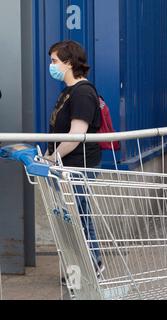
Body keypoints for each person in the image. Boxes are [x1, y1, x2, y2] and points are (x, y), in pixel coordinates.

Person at [45, 40, 104, 277]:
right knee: (72, 219)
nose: (51, 66)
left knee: (79, 218)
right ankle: (79, 267)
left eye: (54, 61)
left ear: (69, 63)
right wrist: (50, 155)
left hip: (78, 165)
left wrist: (53, 157)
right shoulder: (68, 92)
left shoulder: (82, 92)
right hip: (65, 166)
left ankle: (93, 263)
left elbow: (76, 135)